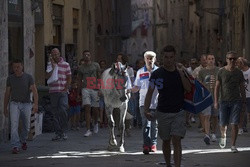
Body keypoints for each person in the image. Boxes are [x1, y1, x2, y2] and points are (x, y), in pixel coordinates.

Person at [144, 45, 191, 167]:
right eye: (166, 57)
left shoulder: (180, 72)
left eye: (171, 57)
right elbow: (150, 93)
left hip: (179, 111)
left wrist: (181, 74)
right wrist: (146, 110)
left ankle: (177, 165)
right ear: (162, 57)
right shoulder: (157, 74)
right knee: (166, 140)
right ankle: (168, 164)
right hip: (163, 111)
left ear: (174, 57)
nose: (168, 59)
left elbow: (188, 88)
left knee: (176, 139)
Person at [4, 59, 38, 154]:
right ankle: (15, 145)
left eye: (18, 67)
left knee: (26, 126)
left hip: (26, 103)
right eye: (14, 67)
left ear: (22, 67)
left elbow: (34, 91)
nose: (16, 69)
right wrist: (4, 107)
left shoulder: (28, 77)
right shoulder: (10, 78)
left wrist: (35, 104)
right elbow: (7, 93)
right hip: (14, 103)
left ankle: (23, 140)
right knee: (14, 125)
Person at [214, 51, 246, 153]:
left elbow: (242, 87)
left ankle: (233, 145)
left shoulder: (239, 73)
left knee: (234, 123)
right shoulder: (221, 71)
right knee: (223, 123)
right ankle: (223, 136)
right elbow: (217, 87)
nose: (232, 60)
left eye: (234, 59)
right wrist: (215, 101)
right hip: (223, 101)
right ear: (227, 59)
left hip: (236, 100)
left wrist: (244, 101)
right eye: (230, 59)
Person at [131, 51, 159, 154]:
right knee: (145, 124)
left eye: (152, 58)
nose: (150, 60)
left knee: (154, 125)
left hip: (156, 102)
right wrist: (129, 90)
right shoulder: (140, 72)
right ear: (144, 59)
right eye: (148, 58)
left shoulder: (159, 71)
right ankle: (146, 145)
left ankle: (153, 144)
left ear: (155, 59)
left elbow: (163, 87)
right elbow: (137, 86)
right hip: (143, 102)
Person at [46, 48, 72, 141]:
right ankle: (58, 133)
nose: (55, 56)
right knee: (55, 113)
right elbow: (47, 77)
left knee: (63, 110)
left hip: (62, 91)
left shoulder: (66, 65)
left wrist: (66, 88)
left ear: (59, 54)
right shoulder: (49, 65)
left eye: (56, 54)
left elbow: (69, 77)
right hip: (53, 91)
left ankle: (64, 131)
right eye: (53, 54)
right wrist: (53, 68)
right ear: (51, 56)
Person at [77, 50, 101, 137]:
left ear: (90, 56)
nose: (87, 56)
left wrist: (100, 89)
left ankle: (95, 122)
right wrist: (78, 92)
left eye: (88, 54)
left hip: (94, 88)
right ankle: (88, 129)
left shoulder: (96, 65)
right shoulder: (81, 68)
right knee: (87, 107)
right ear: (83, 56)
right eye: (85, 55)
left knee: (95, 109)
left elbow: (99, 77)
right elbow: (79, 80)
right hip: (85, 88)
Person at [198, 54, 220, 145]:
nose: (211, 60)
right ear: (206, 60)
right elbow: (199, 83)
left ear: (214, 60)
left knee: (215, 116)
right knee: (207, 116)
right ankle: (207, 134)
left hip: (216, 97)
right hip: (206, 97)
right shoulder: (202, 71)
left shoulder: (219, 70)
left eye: (212, 59)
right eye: (209, 59)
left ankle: (213, 133)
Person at [236, 57, 249, 134]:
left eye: (238, 63)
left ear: (242, 64)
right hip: (240, 95)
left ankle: (244, 126)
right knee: (241, 111)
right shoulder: (238, 72)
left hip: (249, 95)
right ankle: (241, 127)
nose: (237, 64)